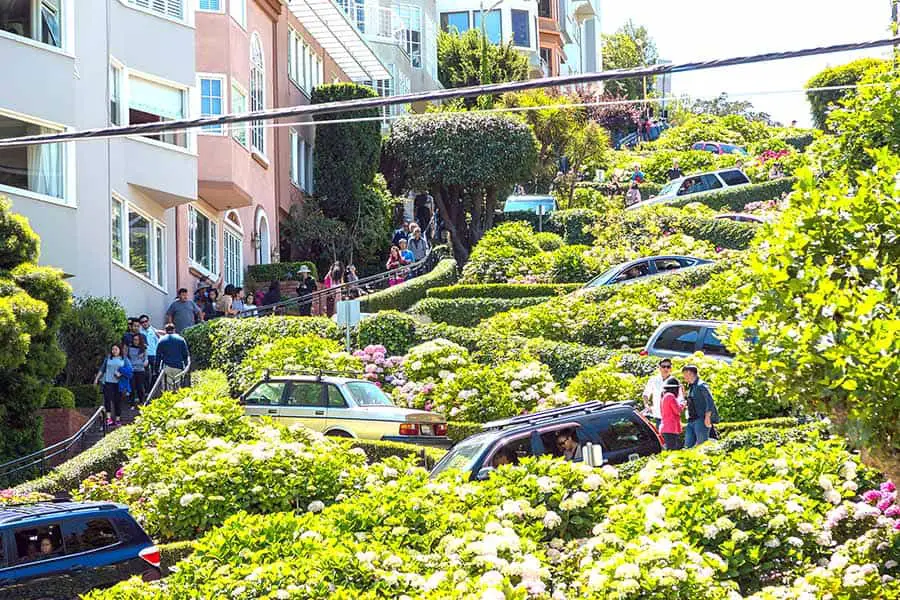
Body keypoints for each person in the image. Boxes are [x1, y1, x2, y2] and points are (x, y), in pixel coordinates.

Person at [682, 364, 717, 449]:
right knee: (687, 446)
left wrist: (708, 417)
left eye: (685, 375)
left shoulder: (701, 385)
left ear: (690, 373)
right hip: (691, 420)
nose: (684, 377)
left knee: (702, 445)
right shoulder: (692, 386)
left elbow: (710, 400)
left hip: (700, 420)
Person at [642, 359, 683, 429]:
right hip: (658, 415)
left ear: (671, 368)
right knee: (660, 438)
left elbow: (680, 398)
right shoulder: (653, 380)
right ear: (659, 368)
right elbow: (646, 394)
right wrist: (646, 405)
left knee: (669, 438)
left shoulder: (675, 381)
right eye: (663, 366)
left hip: (671, 417)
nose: (666, 369)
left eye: (668, 367)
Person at [94, 344, 126, 427]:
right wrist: (97, 378)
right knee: (107, 399)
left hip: (118, 383)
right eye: (113, 349)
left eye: (116, 349)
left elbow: (129, 370)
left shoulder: (124, 359)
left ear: (120, 350)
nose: (114, 351)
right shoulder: (108, 358)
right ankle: (109, 418)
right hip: (108, 382)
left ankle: (118, 419)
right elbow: (102, 369)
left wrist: (121, 373)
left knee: (117, 401)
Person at [157, 323, 190, 391]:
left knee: (167, 389)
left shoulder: (161, 340)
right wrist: (186, 367)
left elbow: (158, 356)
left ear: (165, 331)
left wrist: (156, 369)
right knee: (178, 388)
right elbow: (185, 355)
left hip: (166, 368)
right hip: (179, 367)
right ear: (174, 330)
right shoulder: (181, 340)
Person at [660, 376, 685, 451]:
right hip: (670, 428)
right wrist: (683, 404)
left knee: (671, 449)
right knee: (672, 451)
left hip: (666, 427)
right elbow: (678, 410)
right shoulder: (670, 396)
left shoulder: (664, 396)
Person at [126, 332, 149, 407]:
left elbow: (146, 359)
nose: (136, 341)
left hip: (140, 369)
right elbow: (127, 358)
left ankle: (141, 401)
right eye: (134, 340)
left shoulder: (143, 348)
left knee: (140, 386)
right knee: (132, 387)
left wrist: (145, 362)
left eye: (137, 340)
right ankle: (132, 403)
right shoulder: (129, 347)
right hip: (132, 369)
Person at [138, 314, 162, 382]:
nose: (144, 323)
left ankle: (155, 388)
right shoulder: (139, 333)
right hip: (144, 355)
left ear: (148, 321)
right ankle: (147, 390)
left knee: (156, 373)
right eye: (142, 322)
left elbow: (158, 342)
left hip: (154, 355)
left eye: (146, 321)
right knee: (145, 374)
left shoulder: (154, 331)